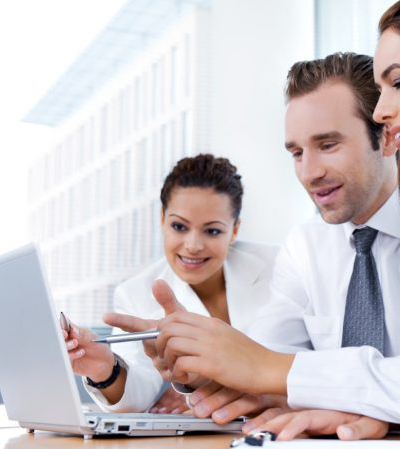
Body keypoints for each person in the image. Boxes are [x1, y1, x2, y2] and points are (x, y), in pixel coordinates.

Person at [140, 51, 400, 440]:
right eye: (297, 153)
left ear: (387, 137)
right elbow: (266, 358)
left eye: (328, 145)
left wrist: (363, 405)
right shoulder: (305, 246)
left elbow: (275, 369)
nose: (309, 172)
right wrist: (202, 369)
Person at [61, 154, 278, 413]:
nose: (193, 246)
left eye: (212, 231)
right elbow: (138, 393)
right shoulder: (135, 294)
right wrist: (105, 370)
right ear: (162, 219)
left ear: (234, 230)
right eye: (179, 226)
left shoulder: (279, 266)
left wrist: (207, 386)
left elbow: (298, 361)